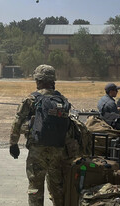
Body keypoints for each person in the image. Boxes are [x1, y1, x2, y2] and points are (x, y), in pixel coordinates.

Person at [9, 64, 71, 206]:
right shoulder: (62, 100)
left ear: (38, 80)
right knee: (57, 188)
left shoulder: (31, 99)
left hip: (37, 151)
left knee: (35, 188)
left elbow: (17, 121)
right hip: (58, 150)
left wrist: (13, 144)